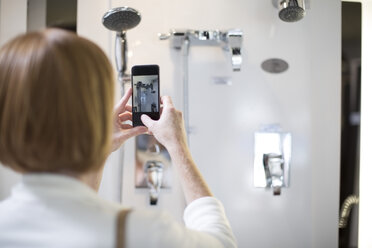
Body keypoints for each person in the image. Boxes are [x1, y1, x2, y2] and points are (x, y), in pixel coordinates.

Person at [0, 29, 237, 248]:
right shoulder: (140, 233)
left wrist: (98, 145)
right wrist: (177, 145)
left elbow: (76, 207)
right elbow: (221, 243)